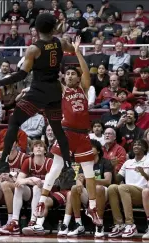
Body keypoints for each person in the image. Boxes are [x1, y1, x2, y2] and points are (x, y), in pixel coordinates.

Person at [0, 13, 76, 174]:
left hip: (39, 91)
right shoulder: (60, 42)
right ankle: (68, 167)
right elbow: (73, 49)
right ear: (53, 28)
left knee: (14, 121)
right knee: (58, 130)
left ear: (36, 29)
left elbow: (21, 75)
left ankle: (4, 161)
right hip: (54, 90)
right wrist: (57, 33)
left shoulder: (34, 48)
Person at [35, 36, 101, 226]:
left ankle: (93, 207)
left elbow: (86, 72)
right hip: (66, 132)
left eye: (73, 74)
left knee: (89, 171)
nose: (70, 76)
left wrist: (77, 51)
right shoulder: (63, 90)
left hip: (82, 134)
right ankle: (41, 203)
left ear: (78, 77)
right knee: (55, 168)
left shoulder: (84, 89)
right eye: (68, 74)